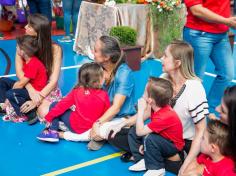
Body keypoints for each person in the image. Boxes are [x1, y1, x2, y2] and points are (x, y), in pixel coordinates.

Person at [107, 40, 209, 175]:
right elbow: (148, 112)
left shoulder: (194, 88)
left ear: (178, 63)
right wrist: (122, 124)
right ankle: (156, 157)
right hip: (159, 135)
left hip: (180, 142)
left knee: (183, 168)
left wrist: (187, 163)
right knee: (114, 134)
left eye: (166, 56)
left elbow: (201, 131)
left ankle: (166, 158)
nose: (161, 58)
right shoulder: (163, 79)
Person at [61, 36, 136, 150]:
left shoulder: (124, 73)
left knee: (98, 130)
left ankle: (63, 135)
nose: (92, 53)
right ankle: (97, 135)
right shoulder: (97, 68)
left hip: (117, 116)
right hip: (96, 112)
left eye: (95, 50)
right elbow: (78, 88)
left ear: (106, 57)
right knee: (52, 109)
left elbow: (116, 108)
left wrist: (97, 123)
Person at [183, 0, 236, 117]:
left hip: (221, 34)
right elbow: (196, 10)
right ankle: (189, 117)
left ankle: (209, 111)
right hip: (199, 33)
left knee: (227, 75)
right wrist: (227, 21)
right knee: (195, 80)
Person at [37, 63, 110, 142]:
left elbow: (60, 106)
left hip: (76, 127)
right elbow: (107, 112)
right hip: (92, 127)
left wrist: (48, 117)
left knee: (55, 105)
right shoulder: (104, 95)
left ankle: (53, 131)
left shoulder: (77, 92)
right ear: (99, 80)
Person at [127, 77, 184, 176]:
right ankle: (144, 160)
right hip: (162, 138)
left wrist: (140, 110)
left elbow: (140, 132)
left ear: (150, 100)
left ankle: (157, 168)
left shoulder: (164, 116)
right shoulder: (156, 107)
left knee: (149, 138)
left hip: (173, 146)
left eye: (145, 92)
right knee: (133, 131)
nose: (142, 94)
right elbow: (140, 130)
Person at [15, 14, 63, 120]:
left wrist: (38, 98)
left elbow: (53, 81)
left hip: (46, 89)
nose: (25, 27)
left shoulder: (55, 49)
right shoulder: (22, 45)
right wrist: (31, 90)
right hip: (28, 84)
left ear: (38, 31)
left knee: (45, 113)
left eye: (30, 26)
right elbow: (19, 71)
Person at [0, 35, 47, 124]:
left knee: (11, 93)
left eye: (17, 47)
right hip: (28, 86)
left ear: (23, 51)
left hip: (35, 92)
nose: (16, 48)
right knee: (3, 81)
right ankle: (2, 106)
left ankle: (27, 113)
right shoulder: (26, 60)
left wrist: (7, 98)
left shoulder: (33, 63)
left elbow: (21, 84)